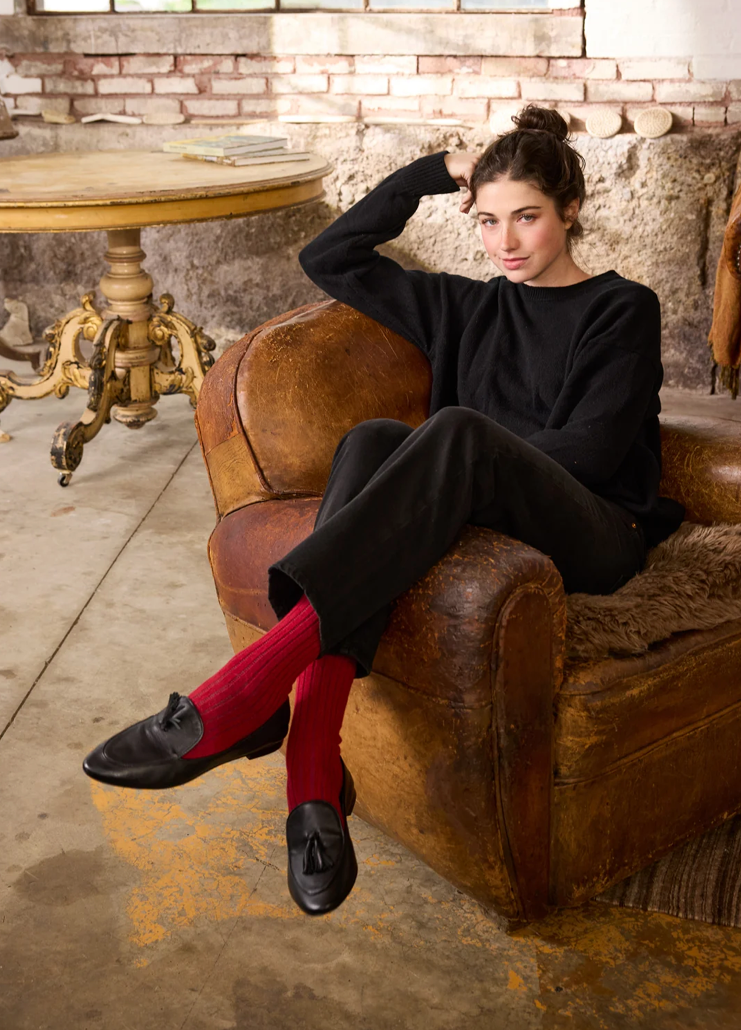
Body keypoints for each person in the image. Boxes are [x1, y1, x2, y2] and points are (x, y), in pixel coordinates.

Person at [82, 105, 686, 918]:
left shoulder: (623, 308)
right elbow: (329, 255)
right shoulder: (463, 307)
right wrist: (438, 168)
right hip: (482, 496)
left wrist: (462, 464)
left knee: (453, 433)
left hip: (599, 533)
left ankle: (242, 696)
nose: (505, 242)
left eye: (527, 218)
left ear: (571, 209)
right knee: (369, 439)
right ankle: (313, 774)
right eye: (487, 221)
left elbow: (591, 454)